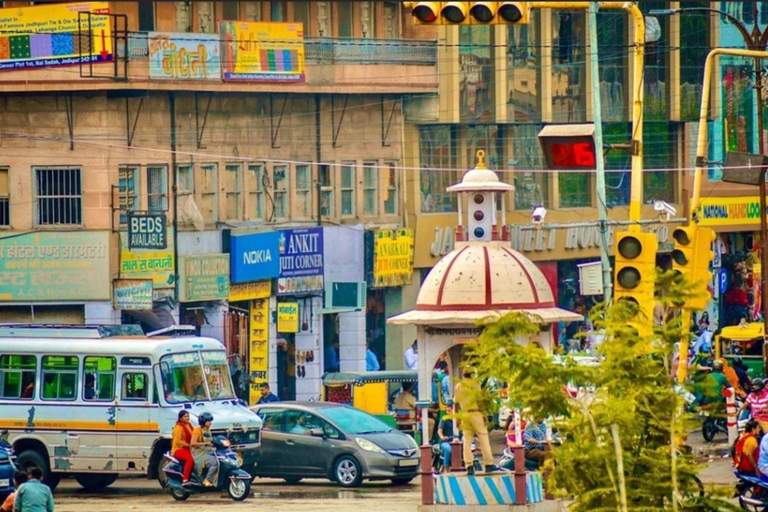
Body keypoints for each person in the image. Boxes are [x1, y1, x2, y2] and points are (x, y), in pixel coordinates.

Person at [454, 367, 495, 475]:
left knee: (467, 441)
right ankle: (488, 464)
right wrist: (484, 415)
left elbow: (456, 403)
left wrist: (457, 418)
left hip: (464, 414)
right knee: (483, 438)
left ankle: (469, 466)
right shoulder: (475, 385)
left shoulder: (458, 386)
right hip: (476, 413)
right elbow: (480, 401)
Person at [190, 412, 219, 487]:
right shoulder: (197, 430)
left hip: (207, 452)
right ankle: (207, 480)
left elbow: (210, 441)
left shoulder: (208, 431)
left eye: (210, 421)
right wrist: (205, 444)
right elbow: (192, 443)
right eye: (208, 421)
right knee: (215, 463)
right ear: (203, 422)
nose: (210, 423)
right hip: (199, 454)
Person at [171, 410, 195, 485]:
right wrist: (188, 444)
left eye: (188, 416)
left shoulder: (189, 425)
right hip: (179, 449)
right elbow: (177, 441)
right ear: (180, 418)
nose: (187, 418)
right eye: (185, 416)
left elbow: (195, 434)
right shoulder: (178, 427)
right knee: (190, 459)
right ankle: (185, 479)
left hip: (189, 448)